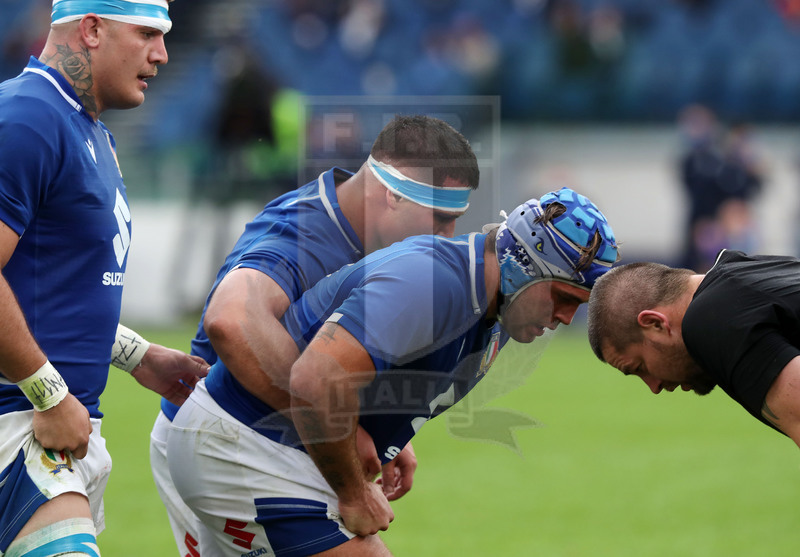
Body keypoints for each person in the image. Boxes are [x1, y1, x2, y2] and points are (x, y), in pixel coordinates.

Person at [166, 187, 619, 556]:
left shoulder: (492, 305)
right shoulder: (435, 283)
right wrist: (353, 492)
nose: (564, 318)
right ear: (526, 265)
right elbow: (316, 380)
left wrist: (387, 433)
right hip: (243, 444)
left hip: (259, 444)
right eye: (564, 298)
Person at [150, 114, 481, 555]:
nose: (448, 236)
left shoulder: (373, 236)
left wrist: (376, 426)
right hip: (225, 440)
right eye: (440, 218)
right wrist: (343, 428)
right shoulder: (306, 231)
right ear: (392, 196)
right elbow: (230, 321)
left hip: (269, 440)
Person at [0, 2, 210, 556]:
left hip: (57, 423)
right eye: (147, 34)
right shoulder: (27, 117)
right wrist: (48, 394)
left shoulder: (87, 128)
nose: (162, 54)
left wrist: (137, 355)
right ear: (92, 29)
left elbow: (48, 291)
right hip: (20, 422)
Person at [586, 251, 800, 449]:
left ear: (655, 323)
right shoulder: (743, 272)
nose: (654, 387)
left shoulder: (713, 319)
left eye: (640, 367)